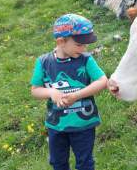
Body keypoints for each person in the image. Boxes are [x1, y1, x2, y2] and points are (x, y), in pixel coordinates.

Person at [30, 14, 108, 170]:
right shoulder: (43, 62)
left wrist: (77, 95)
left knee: (85, 163)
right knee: (58, 163)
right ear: (61, 41)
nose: (84, 48)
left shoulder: (86, 60)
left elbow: (102, 81)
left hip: (84, 126)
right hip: (56, 126)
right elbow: (35, 90)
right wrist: (51, 92)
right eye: (80, 44)